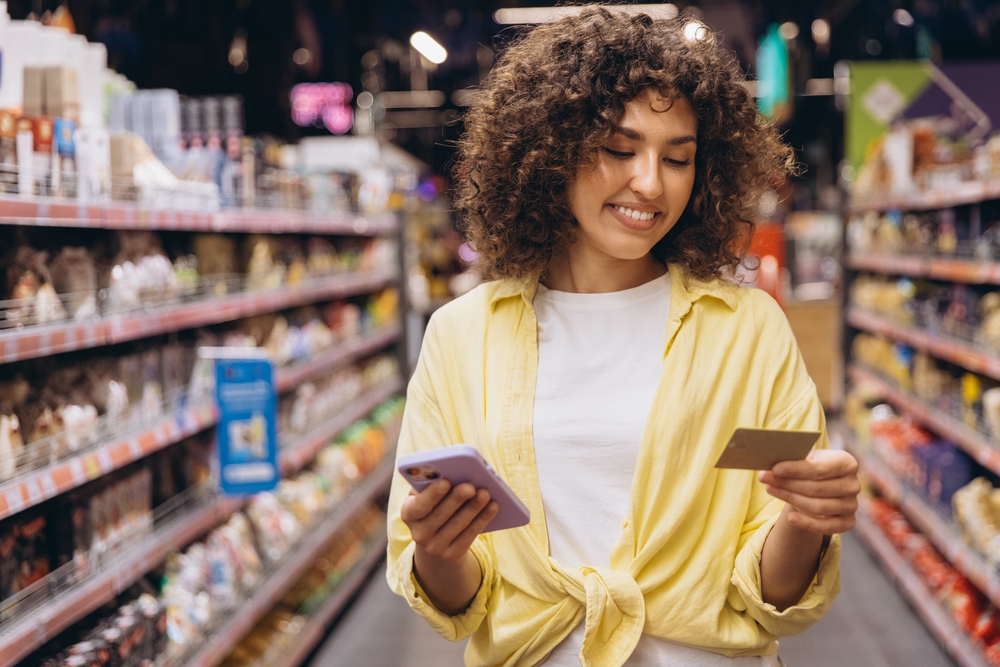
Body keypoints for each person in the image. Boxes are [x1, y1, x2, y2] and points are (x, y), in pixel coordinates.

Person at [386, 7, 860, 667]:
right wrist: (440, 548)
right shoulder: (462, 337)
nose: (650, 182)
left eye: (678, 158)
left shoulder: (747, 330)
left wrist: (807, 520)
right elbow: (458, 598)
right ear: (552, 149)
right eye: (618, 149)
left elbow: (771, 592)